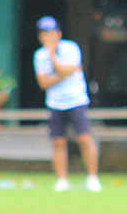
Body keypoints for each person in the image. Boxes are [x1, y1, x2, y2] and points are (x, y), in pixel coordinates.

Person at [33, 16, 102, 192]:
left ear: (58, 34)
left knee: (84, 138)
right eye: (43, 34)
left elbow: (66, 70)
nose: (47, 38)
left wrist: (53, 57)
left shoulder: (71, 48)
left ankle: (92, 178)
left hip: (76, 100)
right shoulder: (39, 55)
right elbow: (44, 82)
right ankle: (62, 180)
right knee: (58, 142)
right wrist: (62, 73)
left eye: (50, 33)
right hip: (55, 103)